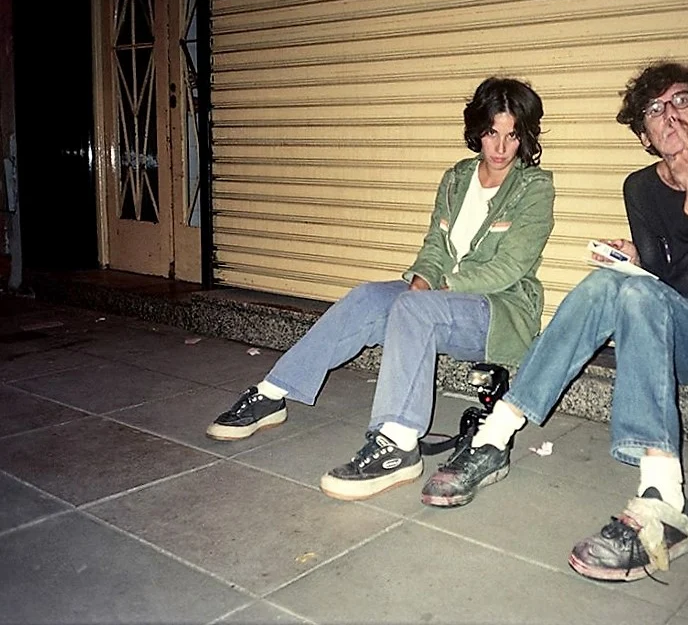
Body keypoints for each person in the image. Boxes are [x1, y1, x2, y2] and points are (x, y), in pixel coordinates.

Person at [421, 62, 688, 583]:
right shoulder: (641, 187)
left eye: (681, 101)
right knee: (608, 281)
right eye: (654, 110)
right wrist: (638, 260)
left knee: (635, 291)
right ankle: (493, 440)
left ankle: (665, 501)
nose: (669, 116)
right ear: (645, 136)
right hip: (666, 331)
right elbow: (664, 282)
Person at [206, 77, 555, 502]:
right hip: (439, 299)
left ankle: (399, 443)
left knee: (414, 308)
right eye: (491, 132)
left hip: (496, 310)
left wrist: (434, 291)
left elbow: (509, 267)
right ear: (477, 131)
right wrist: (421, 281)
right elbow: (435, 246)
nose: (500, 147)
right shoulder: (457, 178)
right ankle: (272, 393)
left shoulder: (534, 187)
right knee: (369, 297)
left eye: (512, 135)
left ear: (525, 136)